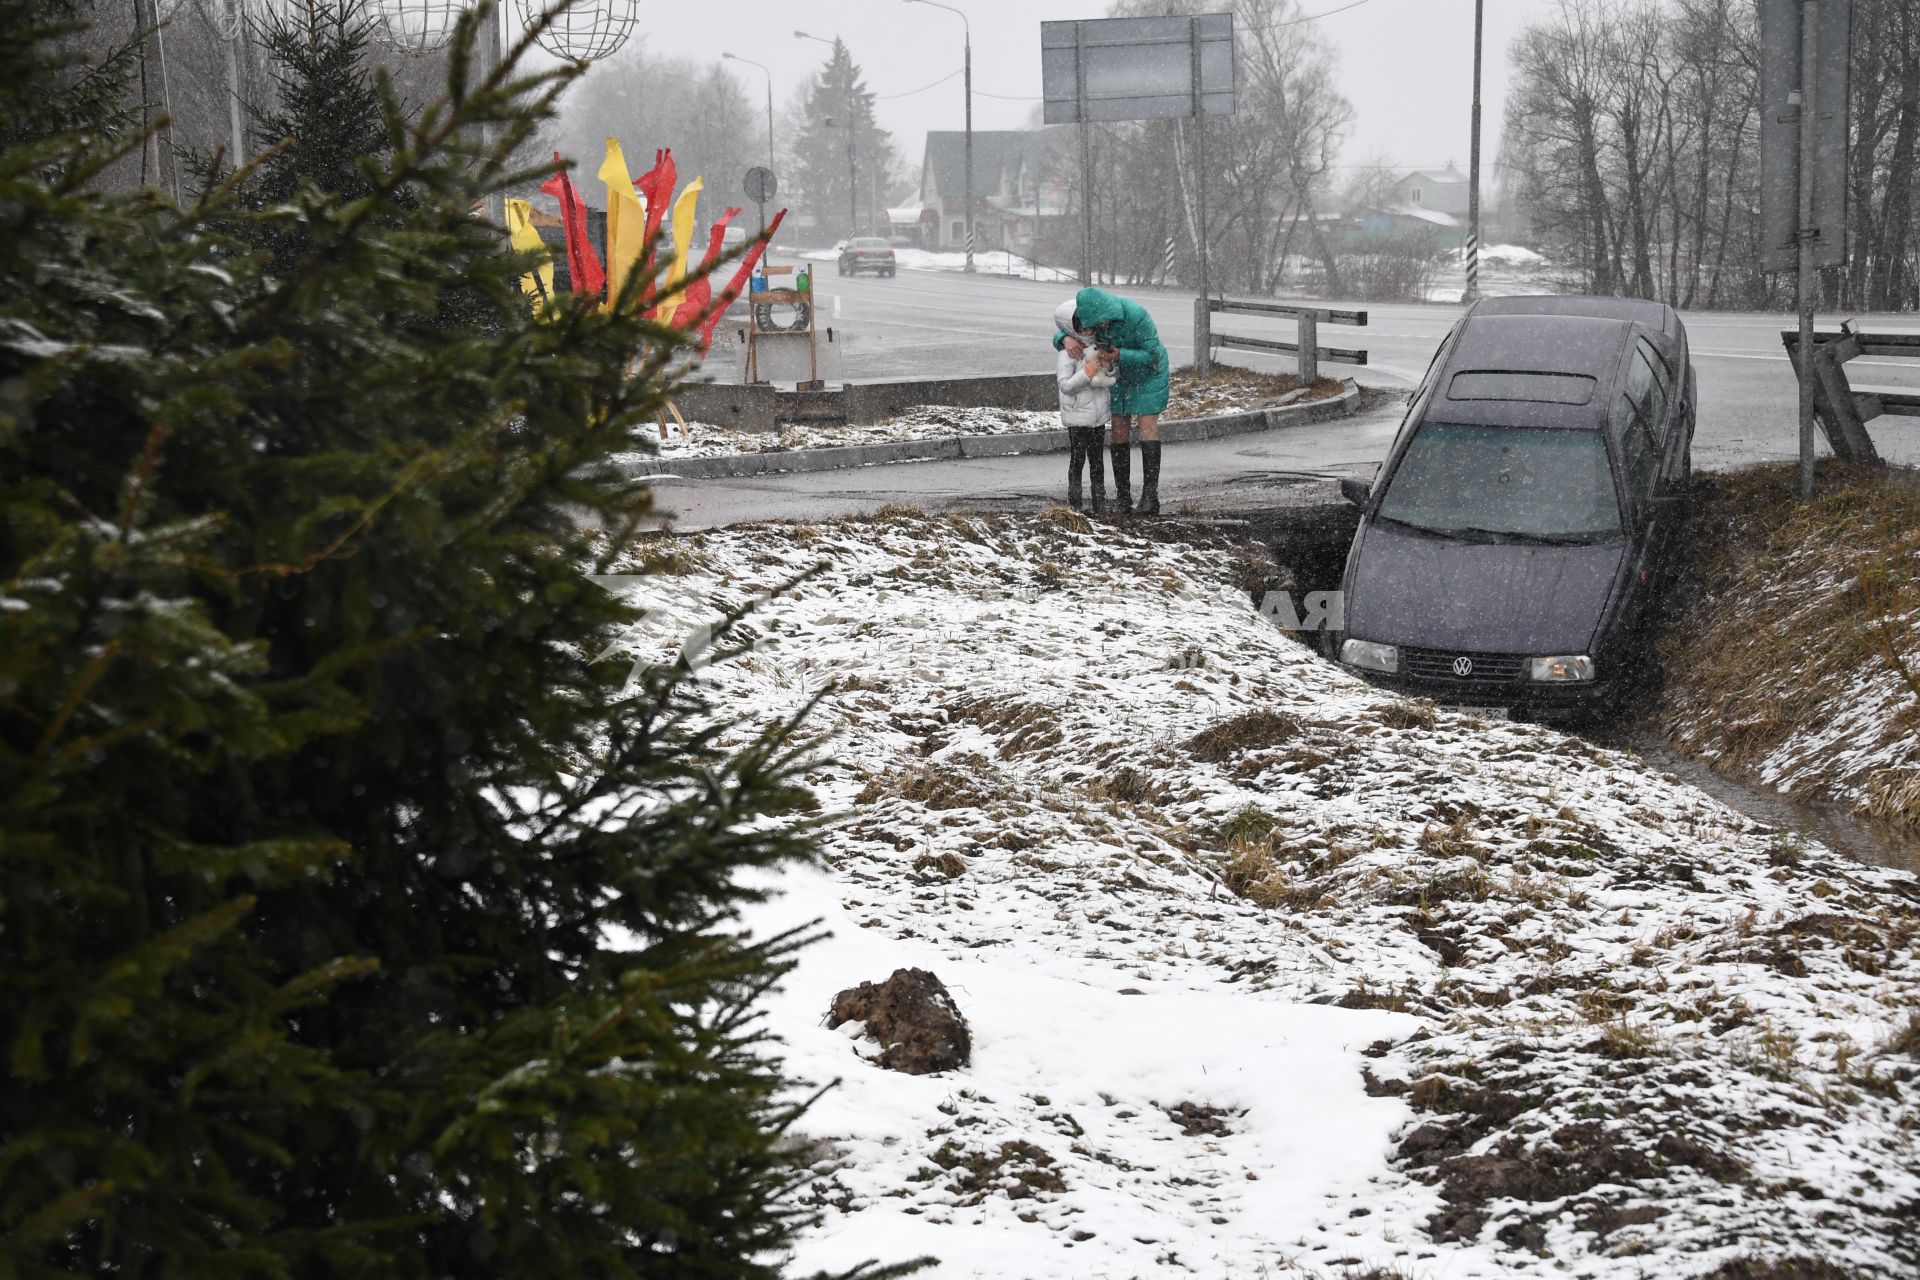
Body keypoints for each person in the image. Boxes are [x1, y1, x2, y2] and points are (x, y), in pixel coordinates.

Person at [1055, 287, 1171, 515]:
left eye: (1098, 325)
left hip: (1149, 373)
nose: (1096, 330)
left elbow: (1153, 354)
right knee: (1119, 430)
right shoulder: (1096, 321)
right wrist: (1064, 338)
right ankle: (1123, 496)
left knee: (1147, 428)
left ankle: (1150, 497)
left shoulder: (1136, 315)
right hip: (1119, 375)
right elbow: (1072, 331)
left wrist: (1119, 355)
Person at [1053, 299, 1115, 512]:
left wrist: (1108, 368)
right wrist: (1087, 372)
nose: (1088, 330)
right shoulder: (1068, 352)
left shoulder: (1099, 346)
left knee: (1097, 462)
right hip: (1078, 417)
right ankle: (1075, 503)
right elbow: (1065, 385)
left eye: (1091, 326)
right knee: (1078, 459)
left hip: (1098, 416)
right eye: (1083, 327)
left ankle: (1100, 503)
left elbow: (1111, 376)